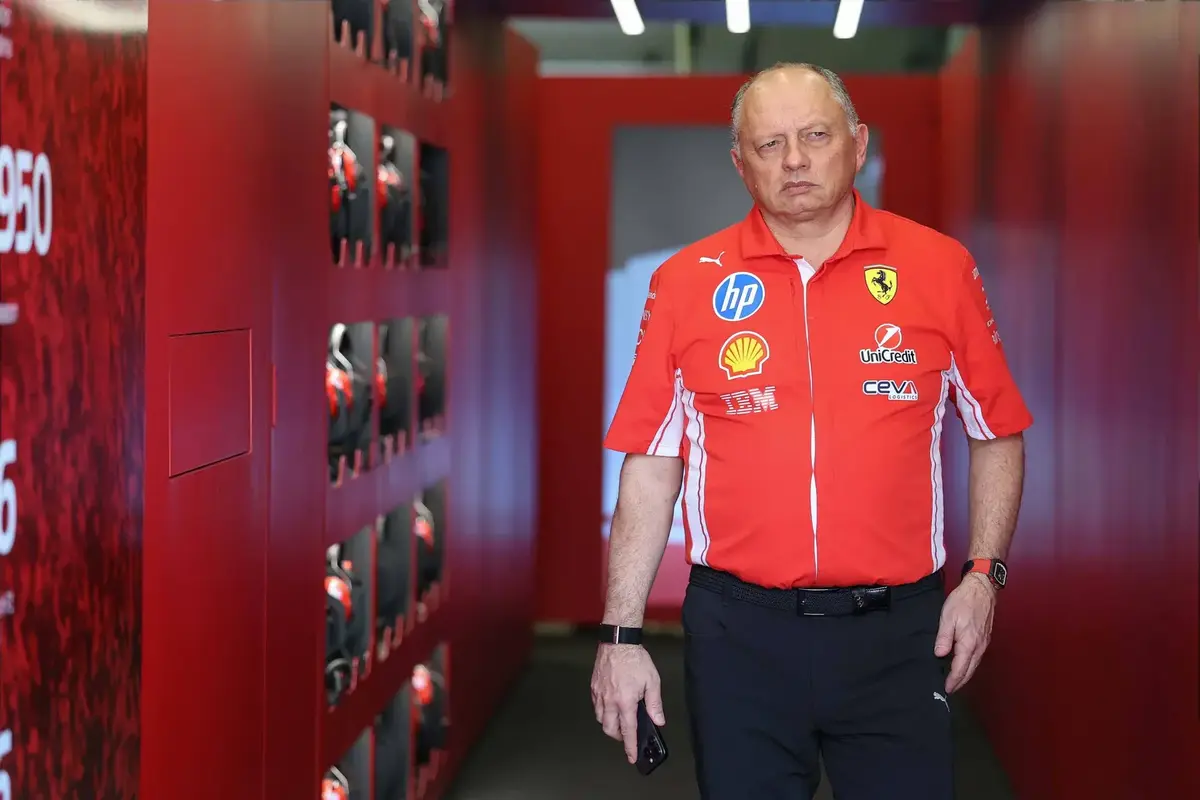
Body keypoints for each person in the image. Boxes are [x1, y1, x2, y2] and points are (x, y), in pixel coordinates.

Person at [590, 62, 1031, 800]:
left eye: (816, 136)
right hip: (738, 637)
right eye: (770, 144)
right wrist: (620, 636)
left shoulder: (939, 267)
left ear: (858, 144)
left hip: (898, 633)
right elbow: (651, 463)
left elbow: (997, 432)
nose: (794, 159)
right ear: (741, 164)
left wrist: (984, 577)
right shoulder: (685, 282)